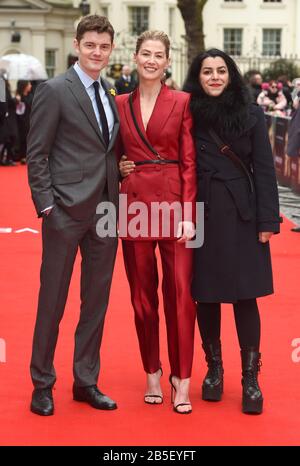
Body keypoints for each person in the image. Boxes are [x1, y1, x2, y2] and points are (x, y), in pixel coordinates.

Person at [27, 15, 120, 416]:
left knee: (95, 303)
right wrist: (47, 204)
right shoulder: (54, 89)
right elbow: (37, 152)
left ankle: (86, 381)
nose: (97, 52)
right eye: (90, 45)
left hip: (105, 211)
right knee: (53, 299)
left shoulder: (111, 92)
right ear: (77, 45)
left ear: (110, 49)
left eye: (104, 46)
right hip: (65, 210)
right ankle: (42, 383)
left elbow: (106, 150)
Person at [183, 49, 281, 414]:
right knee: (205, 295)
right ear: (198, 75)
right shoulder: (186, 112)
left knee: (245, 297)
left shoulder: (252, 113)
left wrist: (267, 222)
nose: (214, 77)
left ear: (231, 74)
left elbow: (265, 170)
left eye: (221, 70)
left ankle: (250, 379)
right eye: (207, 71)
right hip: (201, 213)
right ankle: (214, 371)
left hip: (242, 213)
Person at [117, 30, 197, 414]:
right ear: (135, 58)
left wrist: (188, 214)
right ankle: (152, 370)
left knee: (180, 295)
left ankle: (182, 379)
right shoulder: (119, 103)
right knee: (141, 298)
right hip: (133, 207)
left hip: (175, 208)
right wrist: (117, 167)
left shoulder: (182, 102)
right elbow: (110, 153)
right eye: (145, 53)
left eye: (159, 54)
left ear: (168, 62)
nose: (151, 59)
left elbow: (189, 161)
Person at [15, 80, 33, 163]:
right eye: (29, 84)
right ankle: (22, 156)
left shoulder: (31, 95)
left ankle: (28, 155)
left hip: (29, 119)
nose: (30, 85)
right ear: (24, 86)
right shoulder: (19, 96)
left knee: (29, 138)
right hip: (21, 120)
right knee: (22, 137)